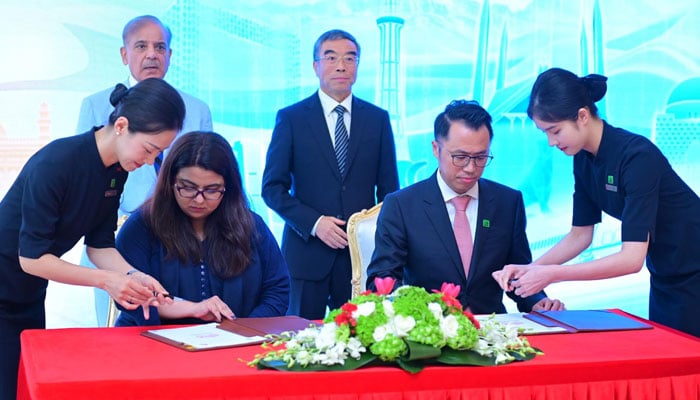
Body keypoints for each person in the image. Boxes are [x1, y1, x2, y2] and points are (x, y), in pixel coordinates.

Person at [0, 77, 185, 400]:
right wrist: (107, 281)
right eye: (148, 149)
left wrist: (134, 275)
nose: (148, 162)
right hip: (7, 283)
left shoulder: (117, 171)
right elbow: (31, 258)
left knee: (22, 387)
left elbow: (99, 245)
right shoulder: (57, 162)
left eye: (157, 154)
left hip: (28, 295)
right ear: (122, 126)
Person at [493, 67, 700, 337]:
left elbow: (631, 259)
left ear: (582, 116)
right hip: (666, 274)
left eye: (555, 131)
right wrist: (529, 270)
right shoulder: (583, 158)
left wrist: (552, 274)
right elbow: (580, 236)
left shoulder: (637, 156)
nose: (551, 142)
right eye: (545, 133)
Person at [76, 14, 213, 326]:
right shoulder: (97, 106)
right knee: (118, 333)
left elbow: (208, 175)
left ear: (170, 55)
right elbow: (86, 179)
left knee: (182, 326)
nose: (152, 54)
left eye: (160, 47)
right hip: (114, 240)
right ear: (124, 54)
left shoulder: (197, 109)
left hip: (182, 243)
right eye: (141, 46)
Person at [366, 100, 564, 313]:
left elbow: (517, 273)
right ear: (436, 149)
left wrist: (537, 301)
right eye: (460, 157)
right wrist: (421, 312)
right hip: (430, 327)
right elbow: (382, 279)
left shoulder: (507, 202)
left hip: (492, 326)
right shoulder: (402, 205)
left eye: (480, 157)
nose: (470, 168)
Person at [261, 29, 399, 319]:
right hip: (306, 255)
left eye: (350, 58)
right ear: (316, 66)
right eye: (331, 57)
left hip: (359, 259)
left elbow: (390, 194)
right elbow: (272, 189)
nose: (341, 66)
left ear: (357, 66)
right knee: (299, 337)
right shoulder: (292, 118)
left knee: (360, 338)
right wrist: (315, 223)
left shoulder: (377, 119)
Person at [115, 131, 290, 326]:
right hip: (152, 339)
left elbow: (277, 290)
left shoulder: (251, 226)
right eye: (188, 188)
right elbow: (131, 297)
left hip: (239, 338)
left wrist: (243, 329)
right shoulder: (142, 227)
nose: (199, 200)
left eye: (211, 190)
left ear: (228, 188)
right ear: (170, 182)